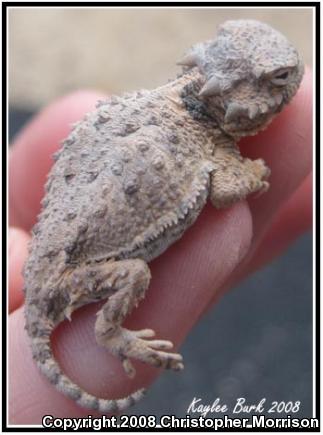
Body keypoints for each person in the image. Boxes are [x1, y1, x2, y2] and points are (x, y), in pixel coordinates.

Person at [9, 69, 312, 423]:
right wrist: (251, 174)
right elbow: (226, 191)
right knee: (134, 272)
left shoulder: (170, 103)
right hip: (65, 267)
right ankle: (108, 331)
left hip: (52, 243)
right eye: (276, 79)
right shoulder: (203, 131)